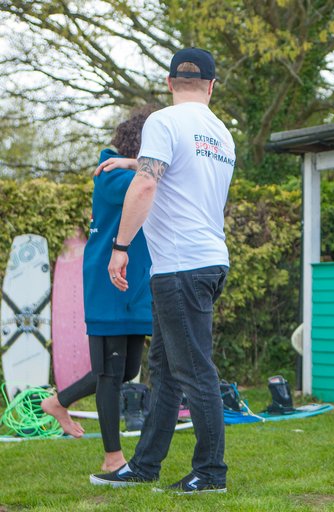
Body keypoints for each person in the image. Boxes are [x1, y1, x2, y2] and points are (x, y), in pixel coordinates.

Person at [89, 47, 235, 493]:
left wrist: (120, 246)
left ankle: (211, 474)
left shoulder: (164, 121)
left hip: (180, 267)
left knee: (194, 371)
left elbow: (149, 182)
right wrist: (136, 161)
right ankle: (146, 464)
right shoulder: (222, 135)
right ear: (211, 86)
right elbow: (184, 174)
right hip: (209, 260)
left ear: (170, 83)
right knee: (167, 370)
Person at [41, 106, 156, 472]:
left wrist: (140, 164)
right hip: (108, 281)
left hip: (135, 283)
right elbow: (152, 184)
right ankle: (112, 458)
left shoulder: (131, 168)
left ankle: (60, 401)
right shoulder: (108, 169)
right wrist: (140, 165)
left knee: (125, 369)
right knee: (109, 370)